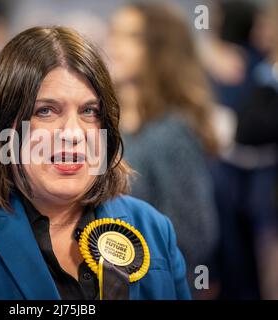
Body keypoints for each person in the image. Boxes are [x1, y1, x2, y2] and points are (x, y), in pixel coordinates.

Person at [0, 26, 191, 300]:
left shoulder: (152, 227)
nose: (72, 134)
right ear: (5, 128)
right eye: (46, 111)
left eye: (89, 112)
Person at [107, 1, 219, 290]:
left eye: (133, 38)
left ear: (162, 51)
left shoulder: (171, 132)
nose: (115, 46)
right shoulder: (102, 120)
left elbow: (195, 234)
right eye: (115, 33)